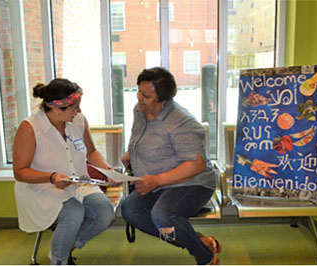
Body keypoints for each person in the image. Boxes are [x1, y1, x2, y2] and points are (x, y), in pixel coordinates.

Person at [121, 67, 221, 265]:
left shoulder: (182, 122)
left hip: (192, 183)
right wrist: (131, 153)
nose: (139, 98)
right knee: (130, 210)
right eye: (138, 91)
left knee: (163, 216)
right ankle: (196, 240)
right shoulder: (140, 110)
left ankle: (206, 258)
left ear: (162, 99)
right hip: (156, 182)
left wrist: (156, 180)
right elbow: (140, 136)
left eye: (146, 95)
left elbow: (197, 165)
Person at [13, 78, 115, 265]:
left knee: (105, 211)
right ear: (56, 108)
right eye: (74, 107)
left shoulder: (77, 121)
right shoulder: (30, 128)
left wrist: (108, 171)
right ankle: (60, 261)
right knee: (73, 213)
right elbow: (20, 172)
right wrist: (51, 177)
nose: (79, 111)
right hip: (41, 188)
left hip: (77, 184)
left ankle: (64, 250)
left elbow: (91, 152)